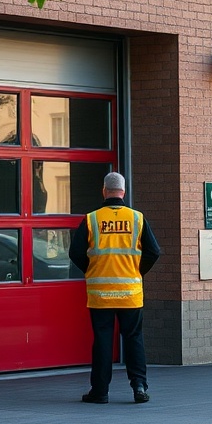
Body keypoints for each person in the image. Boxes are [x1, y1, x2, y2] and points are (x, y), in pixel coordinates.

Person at [68, 171, 161, 404]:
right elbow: (154, 252)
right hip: (130, 294)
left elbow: (75, 252)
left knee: (102, 340)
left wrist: (92, 269)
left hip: (101, 294)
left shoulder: (92, 219)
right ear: (123, 191)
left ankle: (100, 392)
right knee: (134, 339)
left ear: (104, 191)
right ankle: (139, 387)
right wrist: (137, 271)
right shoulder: (137, 218)